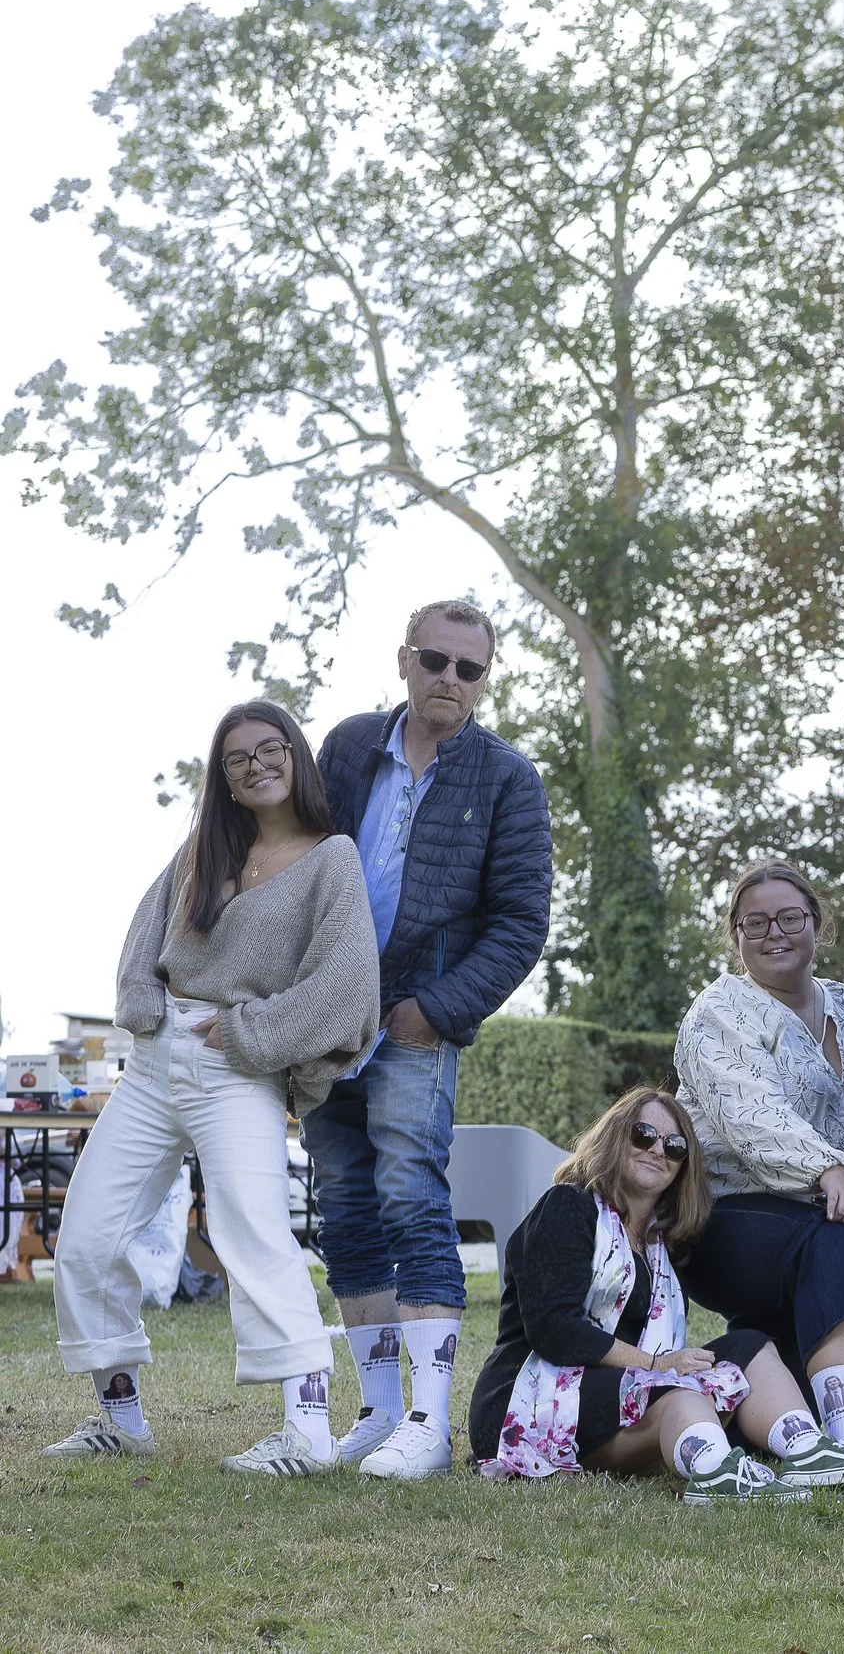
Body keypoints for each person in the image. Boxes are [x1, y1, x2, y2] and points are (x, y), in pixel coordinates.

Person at [46, 701, 379, 1473]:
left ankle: (306, 1432)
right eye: (237, 757)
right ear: (223, 776)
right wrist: (144, 1010)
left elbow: (346, 983)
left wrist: (250, 1032)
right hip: (157, 1063)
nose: (256, 764)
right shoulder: (205, 847)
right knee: (88, 1232)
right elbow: (145, 932)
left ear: (295, 756)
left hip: (237, 1068)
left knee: (253, 1234)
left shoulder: (331, 858)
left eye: (270, 749)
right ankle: (120, 1417)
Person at [310, 599, 552, 1480]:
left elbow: (523, 922)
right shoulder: (343, 748)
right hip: (321, 1019)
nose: (450, 679)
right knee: (343, 1204)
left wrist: (436, 1010)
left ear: (486, 679)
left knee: (412, 1194)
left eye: (470, 668)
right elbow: (296, 863)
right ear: (405, 658)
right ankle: (376, 1411)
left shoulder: (508, 780)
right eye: (436, 660)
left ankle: (427, 1420)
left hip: (417, 1022)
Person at [469, 1088, 842, 1503]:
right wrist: (657, 1365)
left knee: (749, 1346)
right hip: (531, 1394)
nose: (658, 1150)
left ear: (684, 1165)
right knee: (677, 1389)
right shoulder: (568, 1207)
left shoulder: (664, 1246)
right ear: (615, 1136)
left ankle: (809, 1453)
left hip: (619, 1394)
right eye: (643, 1134)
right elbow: (553, 1330)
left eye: (675, 1145)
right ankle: (716, 1474)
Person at [672, 859, 844, 1487]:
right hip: (721, 1220)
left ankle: (787, 1427)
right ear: (736, 934)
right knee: (833, 1233)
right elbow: (747, 1111)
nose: (774, 933)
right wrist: (824, 1168)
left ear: (816, 924)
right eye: (755, 923)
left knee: (777, 1395)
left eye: (789, 918)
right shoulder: (721, 1009)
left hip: (825, 1221)